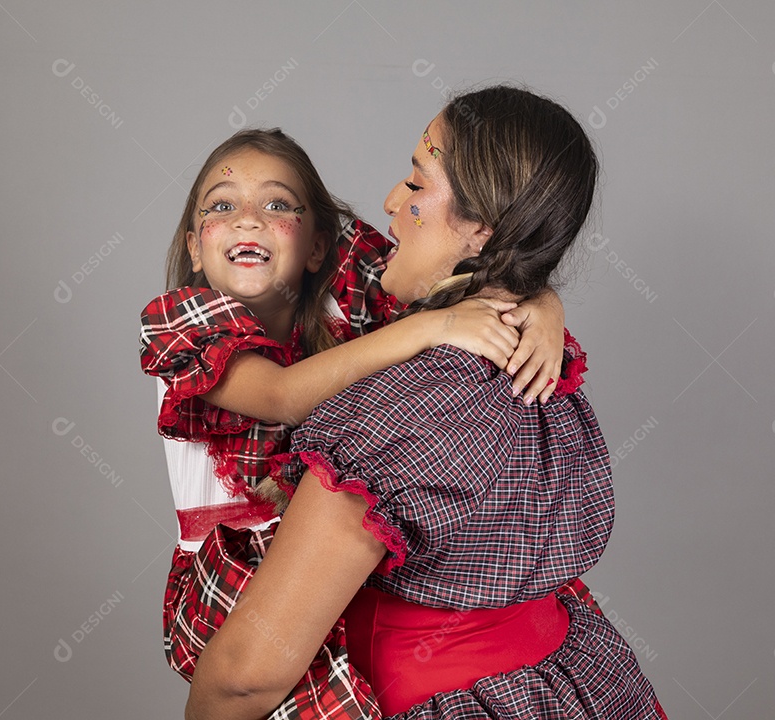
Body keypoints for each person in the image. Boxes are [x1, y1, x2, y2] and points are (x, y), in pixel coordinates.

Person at [184, 86, 668, 719]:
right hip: (562, 685)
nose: (389, 201)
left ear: (481, 227)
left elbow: (245, 676)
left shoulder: (399, 415)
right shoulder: (537, 351)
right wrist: (541, 300)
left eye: (416, 185)